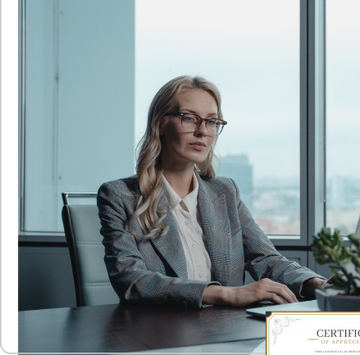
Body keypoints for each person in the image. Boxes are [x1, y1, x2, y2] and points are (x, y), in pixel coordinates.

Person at [97, 75, 326, 308]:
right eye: (189, 118)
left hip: (224, 332)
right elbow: (133, 280)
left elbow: (265, 258)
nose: (202, 131)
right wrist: (226, 294)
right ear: (160, 124)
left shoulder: (225, 191)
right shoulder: (119, 196)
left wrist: (316, 284)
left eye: (212, 121)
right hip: (158, 334)